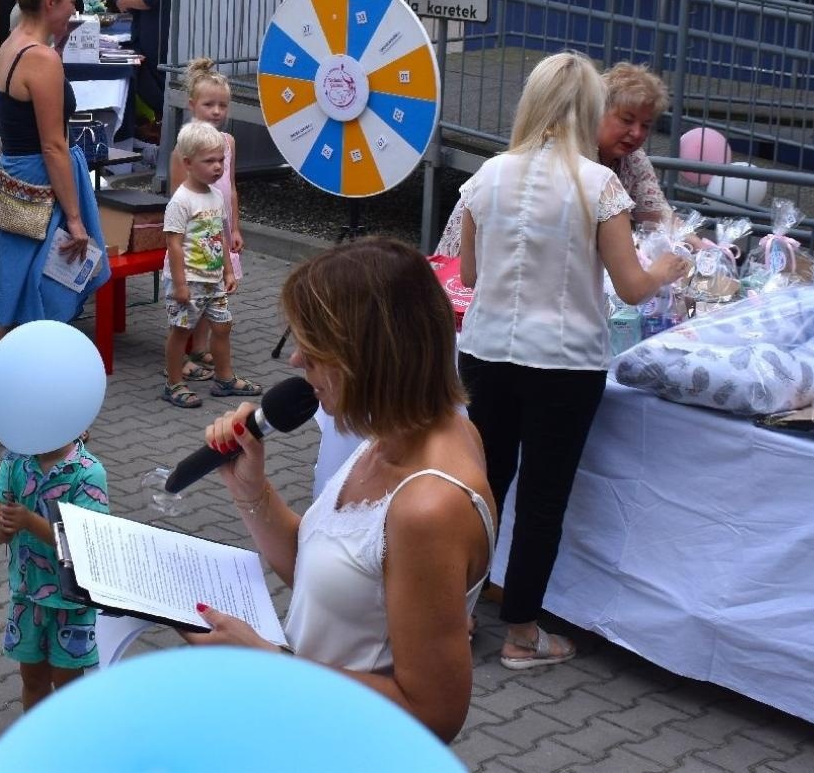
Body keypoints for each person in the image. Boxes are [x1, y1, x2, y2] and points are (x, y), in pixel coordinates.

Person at [180, 238, 496, 743]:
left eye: (314, 349)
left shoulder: (429, 507)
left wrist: (268, 662)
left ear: (369, 357)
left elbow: (434, 713)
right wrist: (251, 490)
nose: (296, 363)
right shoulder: (392, 432)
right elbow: (334, 568)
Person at [455, 53, 690, 669]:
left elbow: (471, 273)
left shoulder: (489, 174)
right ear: (588, 109)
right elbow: (634, 286)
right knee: (543, 497)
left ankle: (455, 615)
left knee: (485, 488)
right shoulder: (599, 185)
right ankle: (522, 635)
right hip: (563, 362)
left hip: (487, 352)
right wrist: (667, 266)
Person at [435, 61, 673, 256]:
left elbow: (660, 217)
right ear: (596, 111)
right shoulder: (577, 167)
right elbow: (631, 286)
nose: (637, 133)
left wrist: (698, 245)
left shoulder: (633, 160)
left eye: (646, 125)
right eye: (627, 120)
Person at [0, 0, 111, 330]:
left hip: (14, 176)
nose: (74, 10)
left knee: (18, 289)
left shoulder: (12, 43)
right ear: (50, 2)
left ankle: (9, 379)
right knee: (45, 292)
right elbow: (53, 145)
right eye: (72, 0)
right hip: (44, 181)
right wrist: (75, 219)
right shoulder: (41, 58)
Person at [0, 433, 108, 708]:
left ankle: (69, 747)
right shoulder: (15, 460)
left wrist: (29, 521)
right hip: (26, 597)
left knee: (67, 689)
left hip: (71, 603)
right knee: (33, 681)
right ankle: (36, 745)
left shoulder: (88, 472)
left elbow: (84, 543)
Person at [159, 122, 257, 408]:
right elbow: (173, 243)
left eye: (221, 160)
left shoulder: (216, 196)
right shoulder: (181, 201)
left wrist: (227, 269)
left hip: (213, 280)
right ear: (188, 163)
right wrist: (179, 284)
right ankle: (174, 383)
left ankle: (224, 379)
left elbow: (220, 237)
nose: (218, 167)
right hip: (188, 280)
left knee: (224, 326)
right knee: (180, 331)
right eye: (210, 161)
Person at [166, 59, 241, 381]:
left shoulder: (228, 143)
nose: (216, 111)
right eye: (209, 104)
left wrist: (234, 227)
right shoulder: (184, 149)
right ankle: (182, 358)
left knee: (215, 292)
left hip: (217, 231)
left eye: (222, 105)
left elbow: (231, 189)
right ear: (193, 105)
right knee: (190, 301)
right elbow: (176, 197)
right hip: (194, 236)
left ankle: (200, 347)